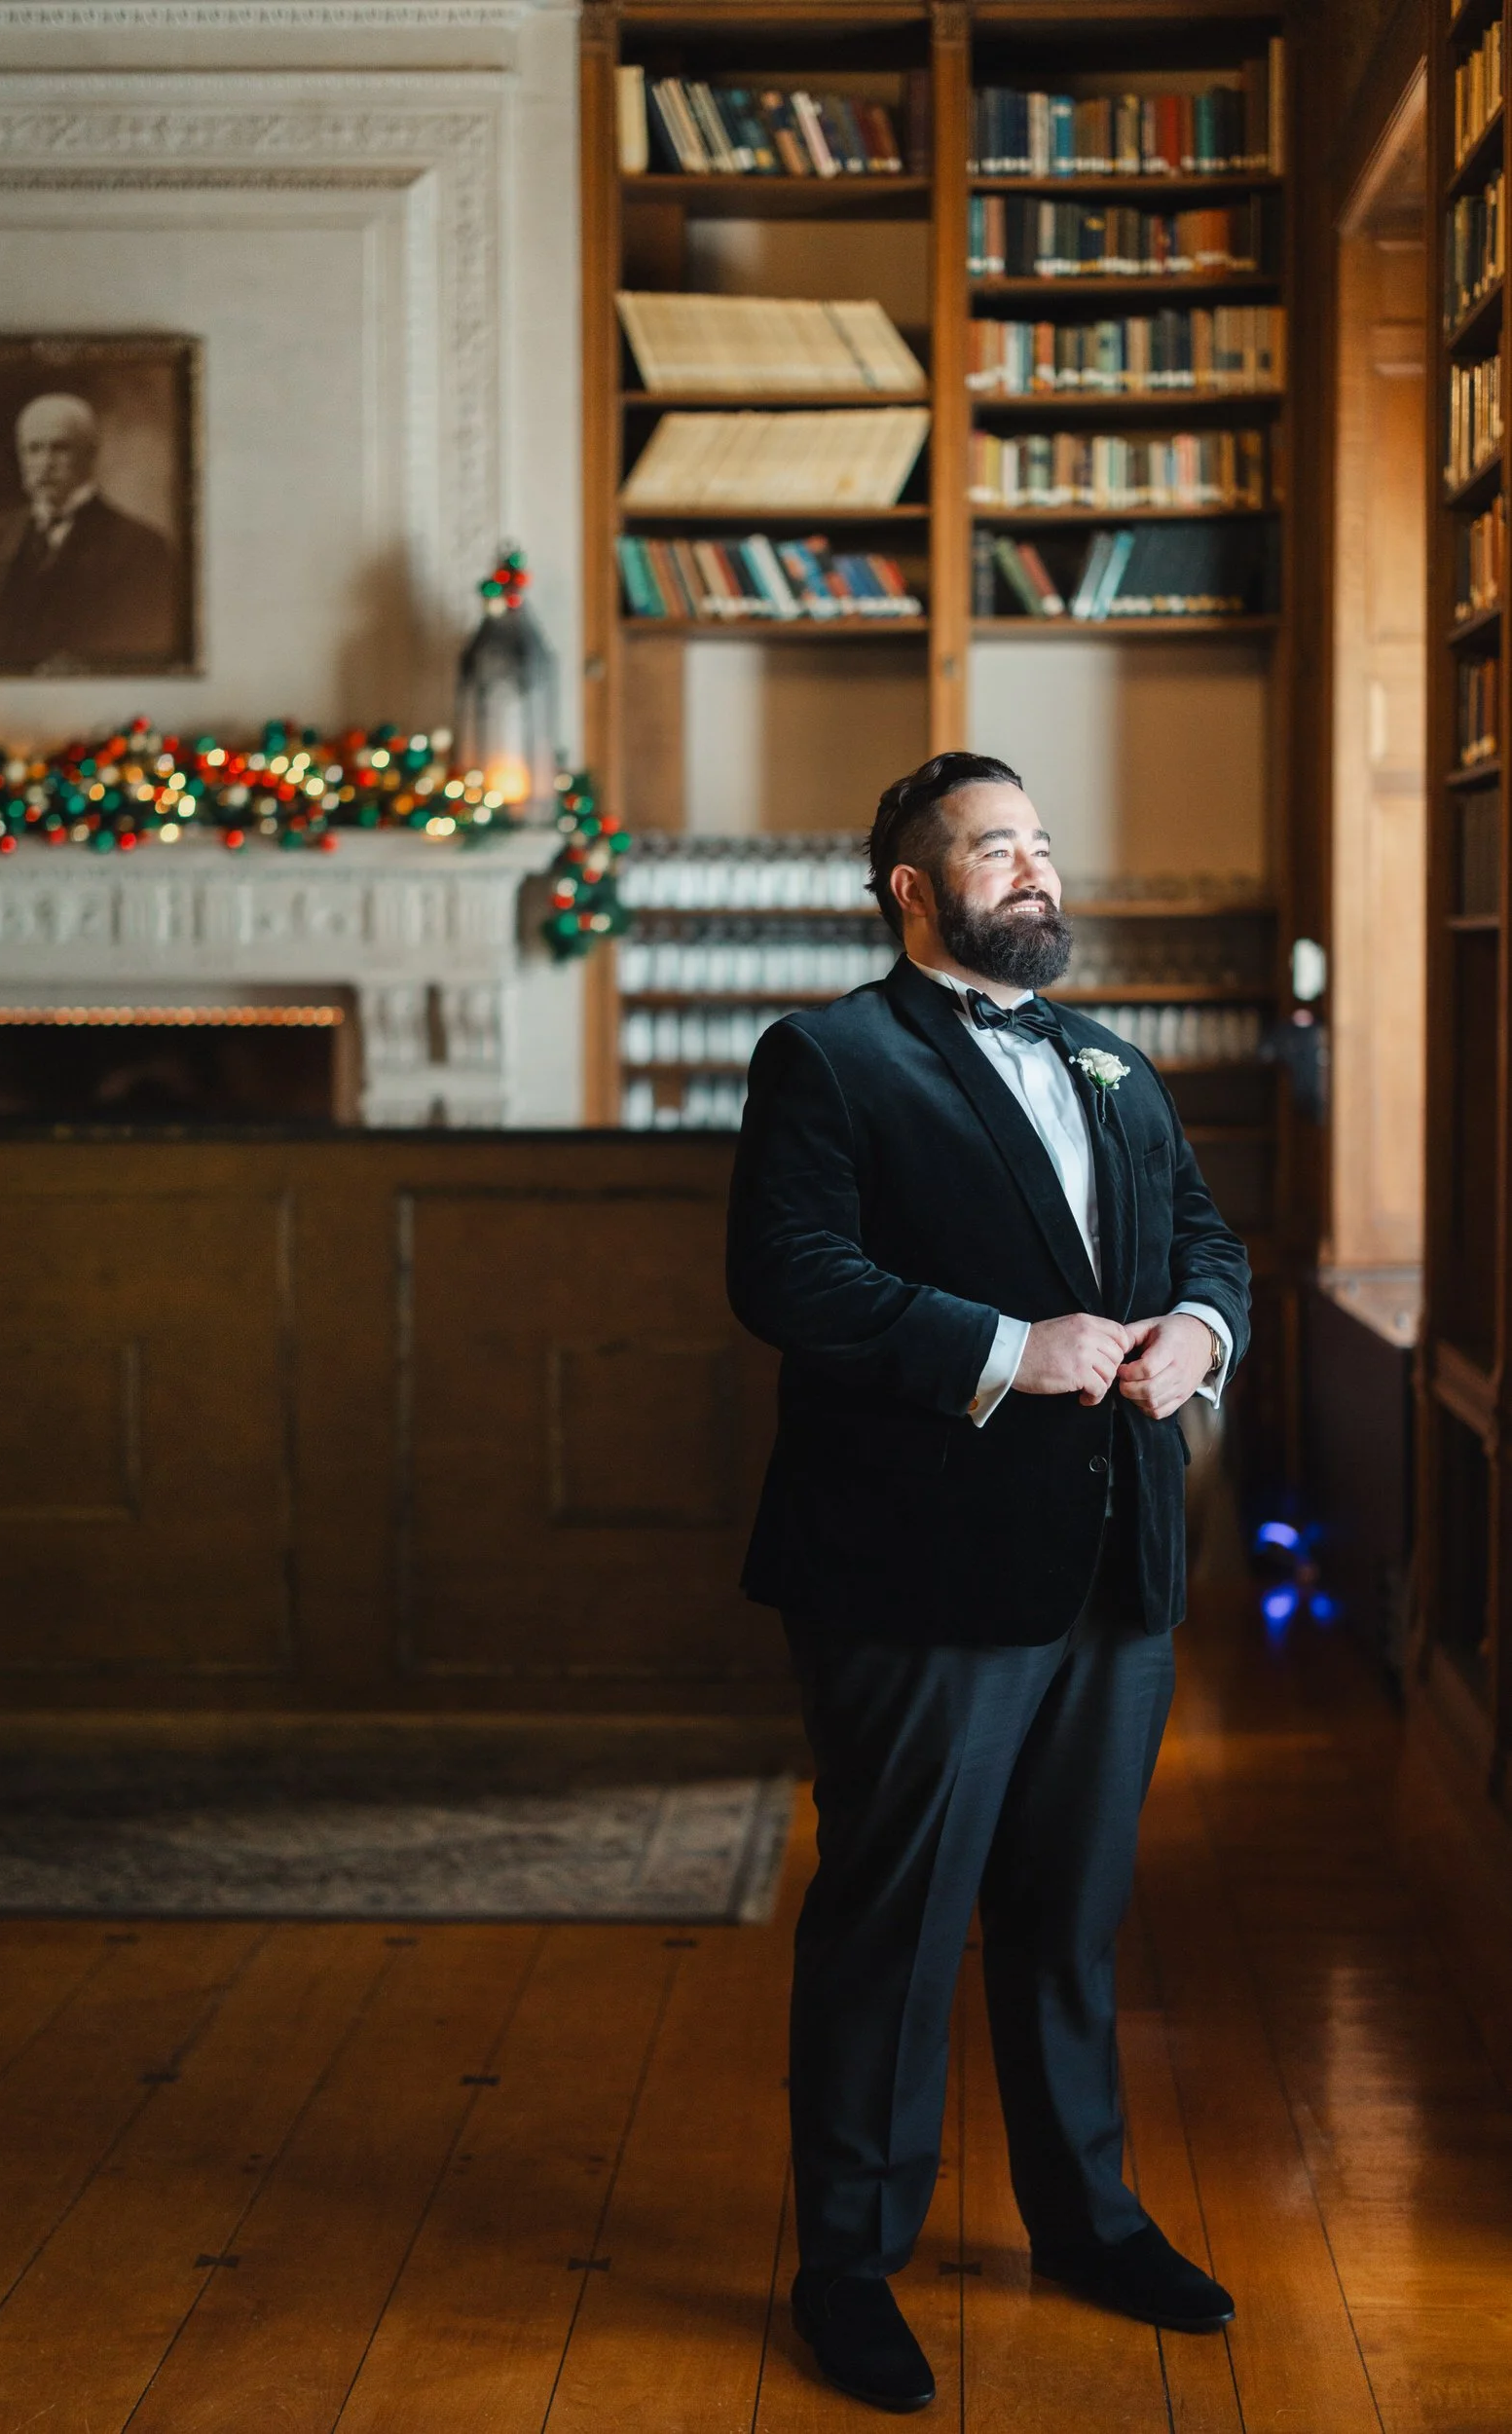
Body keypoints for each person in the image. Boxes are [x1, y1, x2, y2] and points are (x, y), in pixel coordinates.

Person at [726, 752, 1251, 2414]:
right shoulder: (827, 1058)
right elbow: (785, 1274)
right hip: (914, 1571)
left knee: (1068, 1920)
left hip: (1115, 1567)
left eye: (1038, 843)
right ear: (911, 888)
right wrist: (1007, 1351)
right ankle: (847, 2266)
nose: (1032, 868)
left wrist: (1200, 1333)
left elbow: (1206, 1240)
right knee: (893, 1927)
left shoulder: (1112, 1061)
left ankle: (1085, 2221)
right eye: (991, 848)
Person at [0, 390, 179, 671]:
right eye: (33, 449)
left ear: (90, 454)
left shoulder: (140, 546)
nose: (44, 464)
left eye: (60, 449)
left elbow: (145, 648)